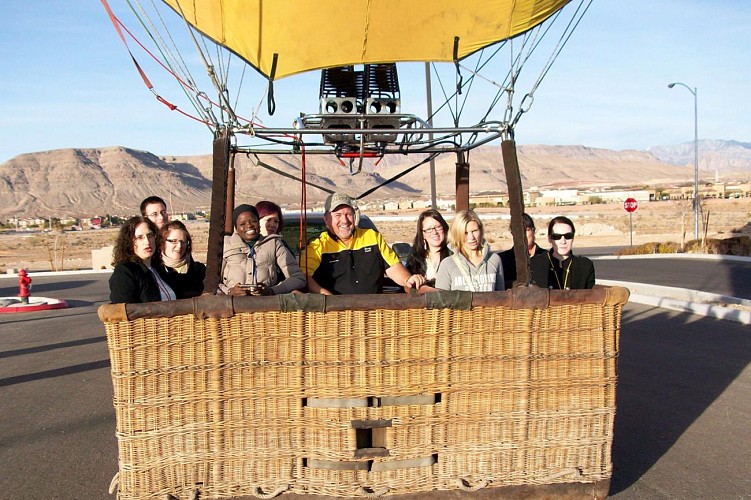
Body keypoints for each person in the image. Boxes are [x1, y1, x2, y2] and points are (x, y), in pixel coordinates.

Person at [301, 192, 425, 295]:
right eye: (337, 215)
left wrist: (408, 279)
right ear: (326, 219)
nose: (344, 220)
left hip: (373, 313)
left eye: (348, 214)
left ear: (354, 216)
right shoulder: (317, 246)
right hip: (335, 317)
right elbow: (304, 277)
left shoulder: (372, 236)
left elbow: (393, 266)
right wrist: (326, 297)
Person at [219, 204, 306, 296]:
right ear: (236, 228)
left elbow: (298, 278)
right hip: (231, 306)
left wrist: (272, 291)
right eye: (242, 224)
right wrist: (229, 291)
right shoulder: (225, 245)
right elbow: (211, 282)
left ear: (259, 223)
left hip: (266, 307)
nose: (249, 226)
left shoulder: (273, 244)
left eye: (253, 221)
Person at [109, 216, 176, 303]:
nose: (147, 242)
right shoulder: (125, 271)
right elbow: (123, 311)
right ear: (129, 241)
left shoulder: (158, 268)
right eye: (140, 237)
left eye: (150, 235)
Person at [434, 210, 504, 292]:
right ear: (457, 234)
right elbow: (441, 301)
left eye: (474, 231)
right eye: (465, 233)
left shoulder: (494, 260)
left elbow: (501, 296)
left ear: (480, 231)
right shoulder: (447, 264)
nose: (471, 237)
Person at [529, 215, 595, 290]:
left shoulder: (585, 266)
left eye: (568, 236)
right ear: (550, 239)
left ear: (573, 238)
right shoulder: (534, 265)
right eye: (557, 236)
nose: (563, 241)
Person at [156, 220, 206, 299]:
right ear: (162, 242)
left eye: (183, 241)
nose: (179, 246)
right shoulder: (155, 272)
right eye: (174, 241)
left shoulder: (199, 271)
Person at [405, 209, 452, 291]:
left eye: (438, 227)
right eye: (429, 229)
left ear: (444, 229)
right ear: (423, 234)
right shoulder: (415, 257)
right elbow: (408, 286)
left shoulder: (454, 254)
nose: (434, 232)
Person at [499, 213, 546, 289]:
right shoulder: (502, 260)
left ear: (533, 231)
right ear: (512, 233)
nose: (522, 235)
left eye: (527, 230)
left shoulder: (547, 257)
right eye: (518, 230)